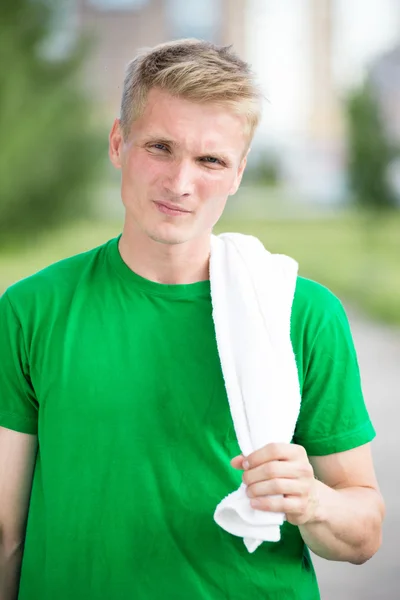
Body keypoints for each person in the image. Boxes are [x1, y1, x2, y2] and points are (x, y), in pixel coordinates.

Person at [0, 39, 384, 600]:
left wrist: (315, 502)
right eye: (160, 147)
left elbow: (363, 532)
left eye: (210, 160)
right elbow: (6, 533)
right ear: (117, 143)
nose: (181, 183)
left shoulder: (300, 313)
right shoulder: (31, 309)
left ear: (238, 173)